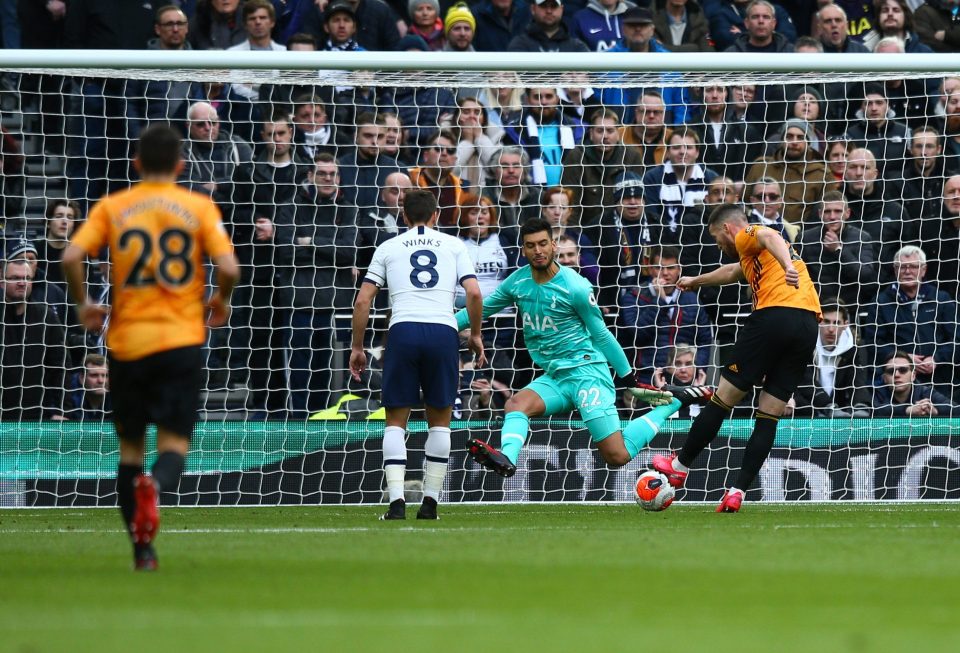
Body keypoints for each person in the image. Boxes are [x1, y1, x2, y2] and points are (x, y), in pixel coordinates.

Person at [61, 124, 240, 570]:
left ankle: (142, 552)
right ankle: (156, 487)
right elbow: (229, 266)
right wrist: (220, 300)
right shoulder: (197, 205)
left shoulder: (113, 206)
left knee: (130, 451)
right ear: (181, 165)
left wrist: (85, 303)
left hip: (128, 343)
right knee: (175, 443)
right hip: (180, 341)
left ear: (136, 163)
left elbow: (69, 257)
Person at [459, 218, 714, 478]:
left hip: (587, 374)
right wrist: (440, 323)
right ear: (523, 250)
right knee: (516, 404)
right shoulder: (517, 282)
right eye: (531, 246)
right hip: (556, 377)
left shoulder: (575, 286)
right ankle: (507, 459)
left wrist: (629, 379)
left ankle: (670, 404)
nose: (538, 251)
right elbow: (478, 310)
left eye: (543, 244)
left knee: (617, 456)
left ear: (553, 245)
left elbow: (602, 336)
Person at [644, 204, 821, 513]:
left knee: (723, 399)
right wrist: (695, 281)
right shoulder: (755, 259)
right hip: (807, 326)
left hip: (773, 317)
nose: (719, 245)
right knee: (768, 415)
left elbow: (769, 235)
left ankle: (680, 466)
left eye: (716, 239)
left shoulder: (746, 235)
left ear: (727, 229)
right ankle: (738, 490)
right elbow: (732, 272)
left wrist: (786, 266)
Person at [350, 189, 485, 520]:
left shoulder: (388, 247)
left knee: (396, 421)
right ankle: (430, 504)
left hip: (403, 330)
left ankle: (396, 503)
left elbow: (362, 301)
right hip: (442, 331)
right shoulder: (454, 245)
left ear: (404, 216)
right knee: (439, 421)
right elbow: (474, 292)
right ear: (436, 215)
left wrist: (357, 346)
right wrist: (476, 335)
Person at [619, 245, 714, 384]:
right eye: (659, 267)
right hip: (646, 376)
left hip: (684, 378)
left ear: (679, 270)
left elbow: (704, 340)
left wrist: (698, 368)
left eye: (670, 268)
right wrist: (660, 301)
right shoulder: (633, 297)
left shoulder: (691, 299)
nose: (665, 273)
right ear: (650, 269)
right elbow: (637, 335)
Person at [790, 299, 872, 418]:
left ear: (845, 325)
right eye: (826, 321)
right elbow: (805, 382)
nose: (831, 329)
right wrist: (828, 407)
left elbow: (858, 381)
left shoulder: (854, 349)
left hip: (840, 413)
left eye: (837, 323)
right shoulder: (804, 344)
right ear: (818, 322)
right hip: (807, 412)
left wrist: (862, 405)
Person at [872, 351, 957, 417]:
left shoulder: (926, 392)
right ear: (884, 378)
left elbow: (955, 409)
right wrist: (907, 410)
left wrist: (935, 411)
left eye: (903, 370)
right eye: (891, 371)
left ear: (913, 375)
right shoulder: (876, 393)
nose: (896, 375)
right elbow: (872, 410)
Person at [63, 353, 112, 422]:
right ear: (81, 378)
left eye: (105, 375)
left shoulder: (120, 397)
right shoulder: (66, 398)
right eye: (94, 375)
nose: (101, 381)